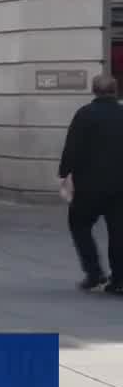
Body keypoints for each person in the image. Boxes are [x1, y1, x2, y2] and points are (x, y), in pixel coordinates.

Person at [58, 74, 123, 293]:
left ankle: (94, 272)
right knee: (118, 232)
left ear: (94, 91)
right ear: (115, 90)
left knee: (79, 224)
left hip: (89, 185)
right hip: (120, 186)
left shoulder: (84, 114)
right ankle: (119, 279)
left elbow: (72, 147)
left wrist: (64, 173)